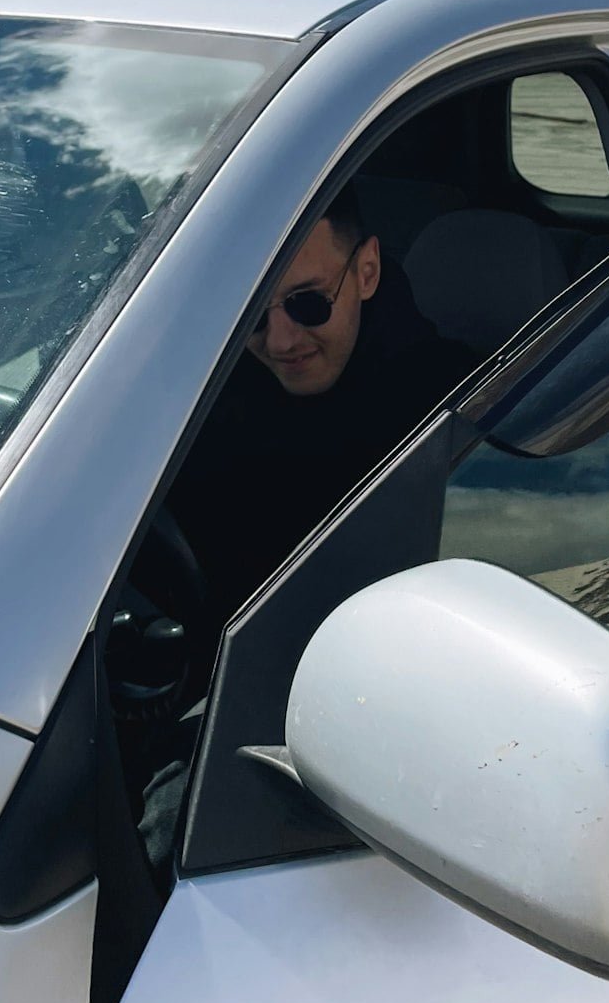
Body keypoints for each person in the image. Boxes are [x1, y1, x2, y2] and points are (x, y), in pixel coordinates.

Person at [165, 184, 478, 672]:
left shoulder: (456, 416)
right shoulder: (201, 402)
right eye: (250, 314)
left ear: (367, 272)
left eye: (308, 303)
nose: (281, 341)